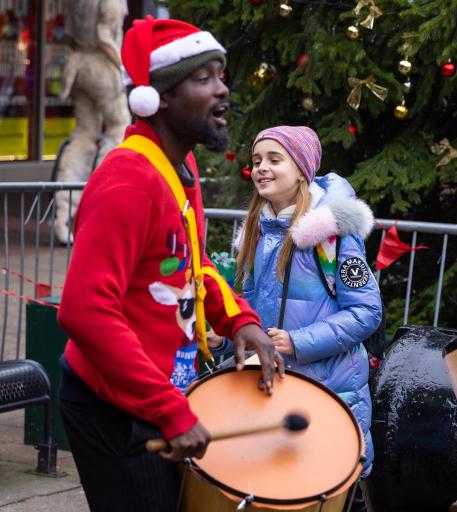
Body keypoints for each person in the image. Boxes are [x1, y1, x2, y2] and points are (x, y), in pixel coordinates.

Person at [56, 16, 284, 512]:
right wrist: (167, 410)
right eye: (203, 79)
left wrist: (240, 320)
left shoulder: (181, 168)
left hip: (156, 398)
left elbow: (190, 261)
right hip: (112, 406)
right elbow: (84, 310)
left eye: (221, 75)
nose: (223, 90)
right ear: (156, 97)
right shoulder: (128, 181)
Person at [235, 125, 382, 510]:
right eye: (256, 161)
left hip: (329, 394)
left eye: (274, 159)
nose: (261, 168)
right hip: (277, 394)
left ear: (301, 169)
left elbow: (367, 311)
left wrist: (299, 341)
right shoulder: (258, 230)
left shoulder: (332, 235)